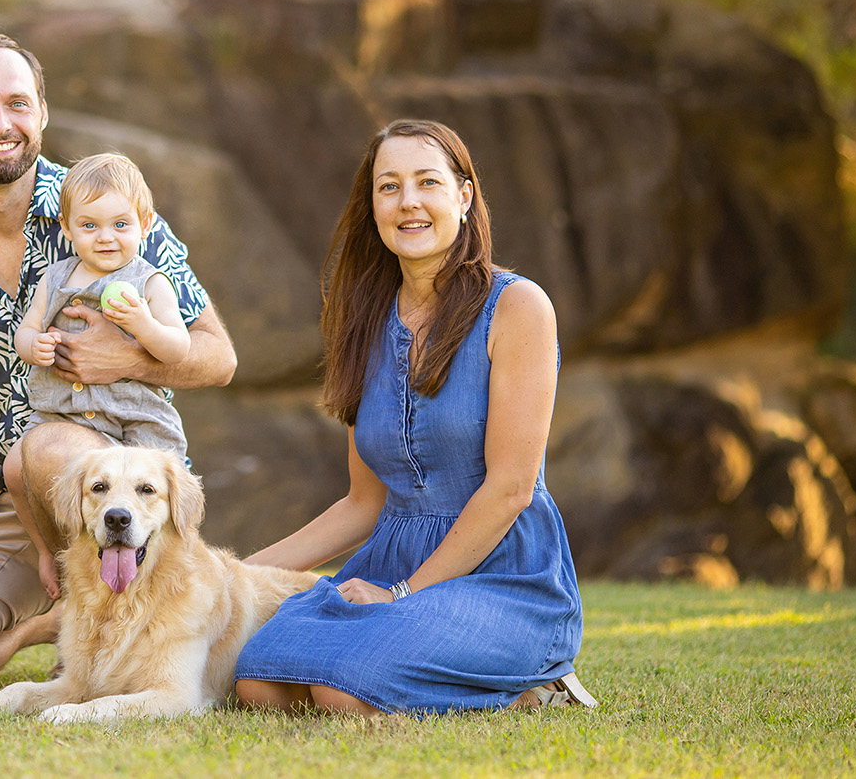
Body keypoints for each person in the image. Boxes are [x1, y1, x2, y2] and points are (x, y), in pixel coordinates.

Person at [0, 32, 236, 690]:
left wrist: (124, 359)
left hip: (109, 490)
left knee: (44, 450)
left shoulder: (107, 207)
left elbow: (219, 357)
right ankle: (48, 615)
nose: (0, 123)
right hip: (2, 498)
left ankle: (114, 601)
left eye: (17, 102)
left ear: (42, 111)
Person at [233, 119, 595, 717]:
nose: (408, 203)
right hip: (390, 565)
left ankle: (528, 686)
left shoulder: (518, 307)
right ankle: (470, 679)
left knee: (341, 691)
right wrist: (229, 576)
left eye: (427, 182)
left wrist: (402, 595)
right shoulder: (365, 324)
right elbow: (362, 504)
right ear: (371, 205)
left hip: (505, 575)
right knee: (258, 682)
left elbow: (510, 490)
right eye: (389, 186)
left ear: (464, 195)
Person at [4, 151, 192, 600]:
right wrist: (36, 345)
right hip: (65, 416)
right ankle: (53, 553)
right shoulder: (55, 278)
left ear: (145, 223)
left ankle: (159, 573)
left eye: (120, 225)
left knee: (154, 492)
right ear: (67, 230)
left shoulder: (150, 282)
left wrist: (144, 324)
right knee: (15, 468)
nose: (105, 238)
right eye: (89, 226)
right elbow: (24, 333)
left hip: (134, 418)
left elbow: (178, 347)